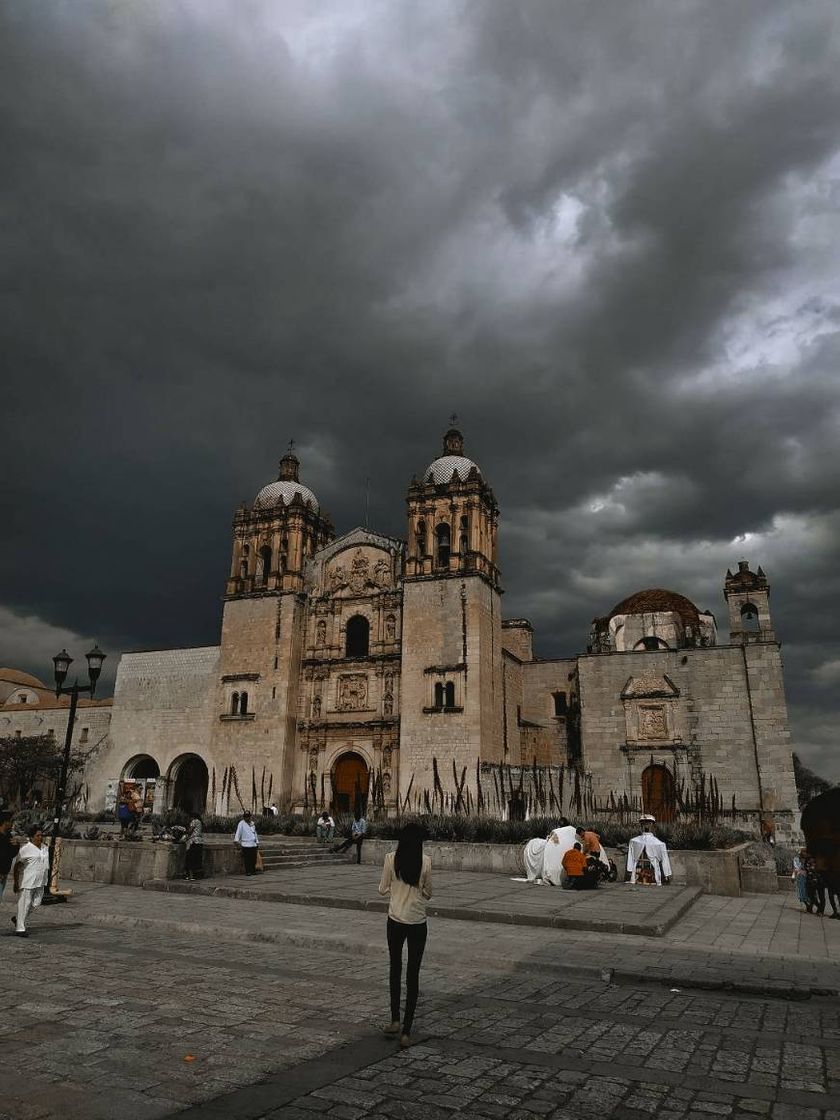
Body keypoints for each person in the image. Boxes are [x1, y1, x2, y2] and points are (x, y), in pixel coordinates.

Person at [378, 824, 432, 1049]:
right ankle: (407, 1032)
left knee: (395, 968)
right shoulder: (425, 861)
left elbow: (382, 888)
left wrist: (396, 890)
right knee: (413, 974)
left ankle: (394, 1020)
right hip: (417, 922)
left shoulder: (391, 859)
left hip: (395, 920)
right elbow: (428, 893)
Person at [11, 824, 50, 937]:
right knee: (24, 904)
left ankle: (18, 919)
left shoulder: (44, 847)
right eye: (37, 835)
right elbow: (17, 866)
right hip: (28, 881)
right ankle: (20, 929)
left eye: (41, 835)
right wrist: (15, 882)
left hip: (41, 881)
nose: (40, 837)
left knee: (36, 903)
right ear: (32, 837)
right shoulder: (26, 849)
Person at [627, 818, 672, 886]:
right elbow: (631, 857)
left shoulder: (659, 844)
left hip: (652, 869)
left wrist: (666, 874)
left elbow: (664, 859)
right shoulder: (634, 841)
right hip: (640, 867)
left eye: (648, 823)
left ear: (652, 825)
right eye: (644, 823)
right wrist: (630, 869)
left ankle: (652, 877)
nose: (646, 825)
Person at [0, 812, 19, 904]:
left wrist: (16, 846)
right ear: (4, 822)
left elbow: (11, 854)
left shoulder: (8, 836)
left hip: (4, 873)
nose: (12, 824)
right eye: (10, 822)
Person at [234, 810, 260, 875]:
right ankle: (248, 871)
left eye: (248, 817)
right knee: (247, 859)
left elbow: (254, 833)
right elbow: (238, 832)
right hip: (246, 844)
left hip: (253, 844)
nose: (247, 818)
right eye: (245, 817)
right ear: (244, 817)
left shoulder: (252, 823)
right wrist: (236, 840)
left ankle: (253, 870)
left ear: (250, 817)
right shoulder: (241, 823)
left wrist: (257, 841)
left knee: (253, 858)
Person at [184, 814, 204, 880]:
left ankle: (191, 876)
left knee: (190, 859)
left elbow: (190, 831)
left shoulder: (194, 821)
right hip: (200, 841)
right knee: (197, 859)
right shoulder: (200, 822)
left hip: (194, 842)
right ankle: (195, 876)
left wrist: (184, 831)